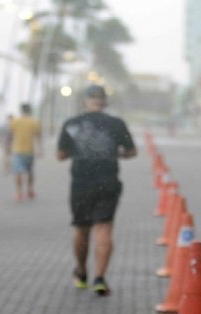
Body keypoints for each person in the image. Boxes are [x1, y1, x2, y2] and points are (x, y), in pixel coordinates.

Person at [56, 84, 137, 296]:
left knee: (81, 228)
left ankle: (81, 272)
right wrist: (113, 154)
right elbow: (131, 152)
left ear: (85, 101)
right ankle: (100, 278)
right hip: (108, 182)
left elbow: (60, 155)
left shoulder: (72, 124)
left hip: (81, 183)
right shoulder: (116, 124)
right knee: (104, 229)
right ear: (104, 102)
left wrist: (79, 151)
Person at [10, 104, 42, 201]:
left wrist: (7, 148)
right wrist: (40, 149)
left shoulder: (15, 121)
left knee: (18, 173)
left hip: (17, 150)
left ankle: (19, 193)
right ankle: (30, 190)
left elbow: (10, 135)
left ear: (21, 111)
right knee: (30, 171)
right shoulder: (34, 122)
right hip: (29, 150)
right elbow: (38, 136)